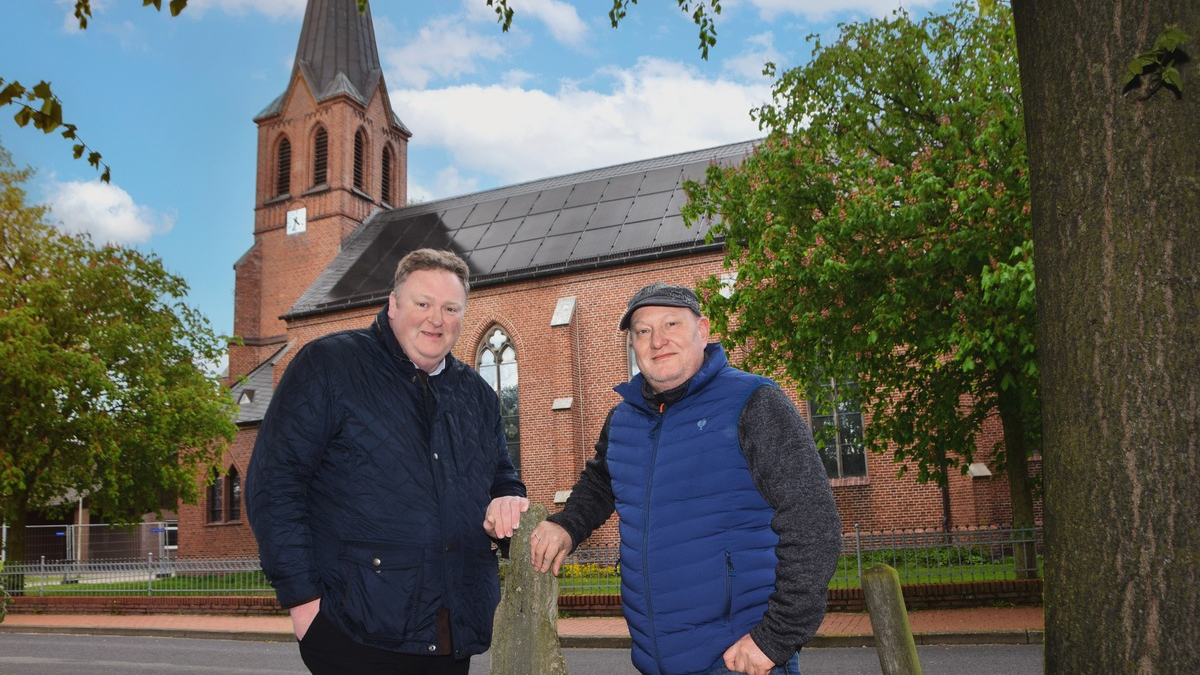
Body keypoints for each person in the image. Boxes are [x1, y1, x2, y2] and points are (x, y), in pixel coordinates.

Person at [530, 282, 842, 675]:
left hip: (738, 660)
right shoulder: (624, 419)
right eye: (643, 331)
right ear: (633, 345)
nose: (657, 340)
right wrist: (567, 526)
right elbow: (603, 482)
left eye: (672, 324)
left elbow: (813, 521)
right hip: (655, 661)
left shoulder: (754, 402)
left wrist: (776, 638)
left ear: (704, 330)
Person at [245, 248, 528, 675]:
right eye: (423, 303)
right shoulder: (330, 365)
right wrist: (303, 602)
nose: (436, 319)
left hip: (454, 630)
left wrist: (508, 498)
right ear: (393, 304)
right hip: (355, 631)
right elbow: (274, 485)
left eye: (450, 308)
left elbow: (501, 478)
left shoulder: (477, 395)